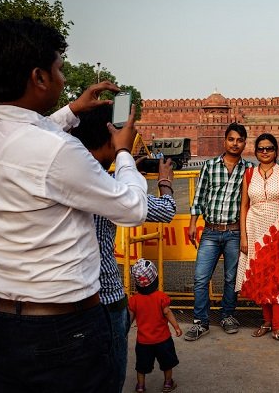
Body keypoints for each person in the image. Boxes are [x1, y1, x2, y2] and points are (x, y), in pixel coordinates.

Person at [0, 18, 148, 392]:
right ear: (39, 77)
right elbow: (132, 208)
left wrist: (73, 109)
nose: (62, 78)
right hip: (63, 329)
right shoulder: (59, 152)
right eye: (59, 68)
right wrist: (124, 151)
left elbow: (23, 136)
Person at [70, 104, 177, 392]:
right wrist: (164, 180)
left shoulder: (62, 173)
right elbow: (165, 211)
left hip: (57, 301)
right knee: (107, 379)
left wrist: (129, 167)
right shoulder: (106, 185)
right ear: (111, 139)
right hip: (104, 298)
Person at [185, 122, 252, 340]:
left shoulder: (249, 169)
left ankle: (227, 315)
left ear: (244, 143)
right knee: (201, 278)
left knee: (232, 279)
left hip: (234, 232)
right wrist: (193, 222)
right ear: (225, 141)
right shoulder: (210, 166)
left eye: (240, 140)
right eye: (231, 139)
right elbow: (200, 196)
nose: (235, 144)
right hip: (211, 232)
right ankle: (200, 321)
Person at [235, 133, 279, 346]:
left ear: (276, 151)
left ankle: (278, 327)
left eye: (269, 148)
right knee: (259, 276)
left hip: (278, 230)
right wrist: (243, 237)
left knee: (277, 279)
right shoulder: (248, 174)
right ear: (255, 152)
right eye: (261, 149)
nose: (265, 152)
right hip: (254, 231)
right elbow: (244, 206)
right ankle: (266, 322)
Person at [129, 259, 182, 393]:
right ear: (155, 278)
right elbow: (167, 312)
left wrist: (124, 330)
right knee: (167, 363)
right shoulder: (161, 297)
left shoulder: (134, 300)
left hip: (143, 342)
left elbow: (129, 318)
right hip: (163, 340)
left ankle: (140, 386)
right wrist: (176, 327)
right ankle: (168, 383)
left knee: (141, 366)